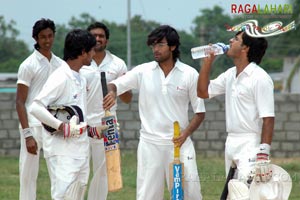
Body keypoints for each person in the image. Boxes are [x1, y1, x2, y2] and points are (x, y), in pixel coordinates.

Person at [107, 25, 205, 200]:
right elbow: (116, 84)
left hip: (180, 144)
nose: (155, 49)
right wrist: (113, 91)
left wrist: (185, 134)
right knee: (147, 196)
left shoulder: (189, 74)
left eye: (160, 45)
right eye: (153, 45)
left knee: (191, 195)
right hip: (149, 145)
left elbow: (200, 113)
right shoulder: (143, 71)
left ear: (173, 47)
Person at [30, 29, 115, 200]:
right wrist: (62, 127)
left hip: (80, 150)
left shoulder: (81, 78)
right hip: (62, 152)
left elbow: (77, 116)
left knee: (76, 196)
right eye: (91, 49)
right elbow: (36, 107)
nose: (93, 53)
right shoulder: (60, 76)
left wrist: (93, 131)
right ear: (83, 52)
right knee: (63, 196)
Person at [197, 30, 275, 199]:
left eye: (236, 39)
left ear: (245, 48)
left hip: (250, 144)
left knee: (246, 195)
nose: (230, 41)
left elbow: (268, 118)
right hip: (231, 142)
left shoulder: (260, 78)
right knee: (233, 194)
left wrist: (263, 154)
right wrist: (207, 63)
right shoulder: (230, 74)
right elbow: (203, 92)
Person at [79, 22, 132, 200]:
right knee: (80, 171)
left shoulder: (118, 64)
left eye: (101, 36)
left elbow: (128, 98)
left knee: (103, 173)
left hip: (108, 124)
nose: (98, 39)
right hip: (82, 124)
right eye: (94, 35)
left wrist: (116, 91)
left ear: (106, 40)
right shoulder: (81, 62)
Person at [16, 18, 63, 200]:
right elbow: (20, 102)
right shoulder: (28, 65)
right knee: (28, 175)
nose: (47, 41)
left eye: (50, 36)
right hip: (33, 126)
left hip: (53, 125)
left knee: (58, 173)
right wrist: (27, 134)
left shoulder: (60, 64)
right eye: (43, 37)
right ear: (35, 38)